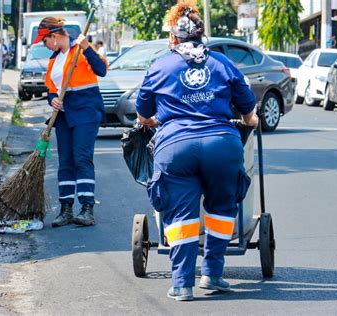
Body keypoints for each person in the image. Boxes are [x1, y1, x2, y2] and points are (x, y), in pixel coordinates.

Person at [135, 0, 259, 301]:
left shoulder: (160, 65)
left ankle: (181, 283)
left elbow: (143, 111)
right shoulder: (223, 63)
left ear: (174, 37)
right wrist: (250, 120)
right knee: (220, 208)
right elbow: (247, 108)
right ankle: (212, 274)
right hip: (221, 145)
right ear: (201, 35)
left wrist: (152, 121)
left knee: (181, 213)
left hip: (176, 147)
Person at [33, 17, 108, 227]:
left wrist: (87, 48)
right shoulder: (53, 60)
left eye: (45, 40)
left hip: (86, 113)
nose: (43, 44)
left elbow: (101, 70)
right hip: (64, 116)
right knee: (65, 161)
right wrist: (53, 99)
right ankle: (66, 209)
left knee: (81, 158)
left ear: (55, 36)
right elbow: (50, 89)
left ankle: (86, 208)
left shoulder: (81, 50)